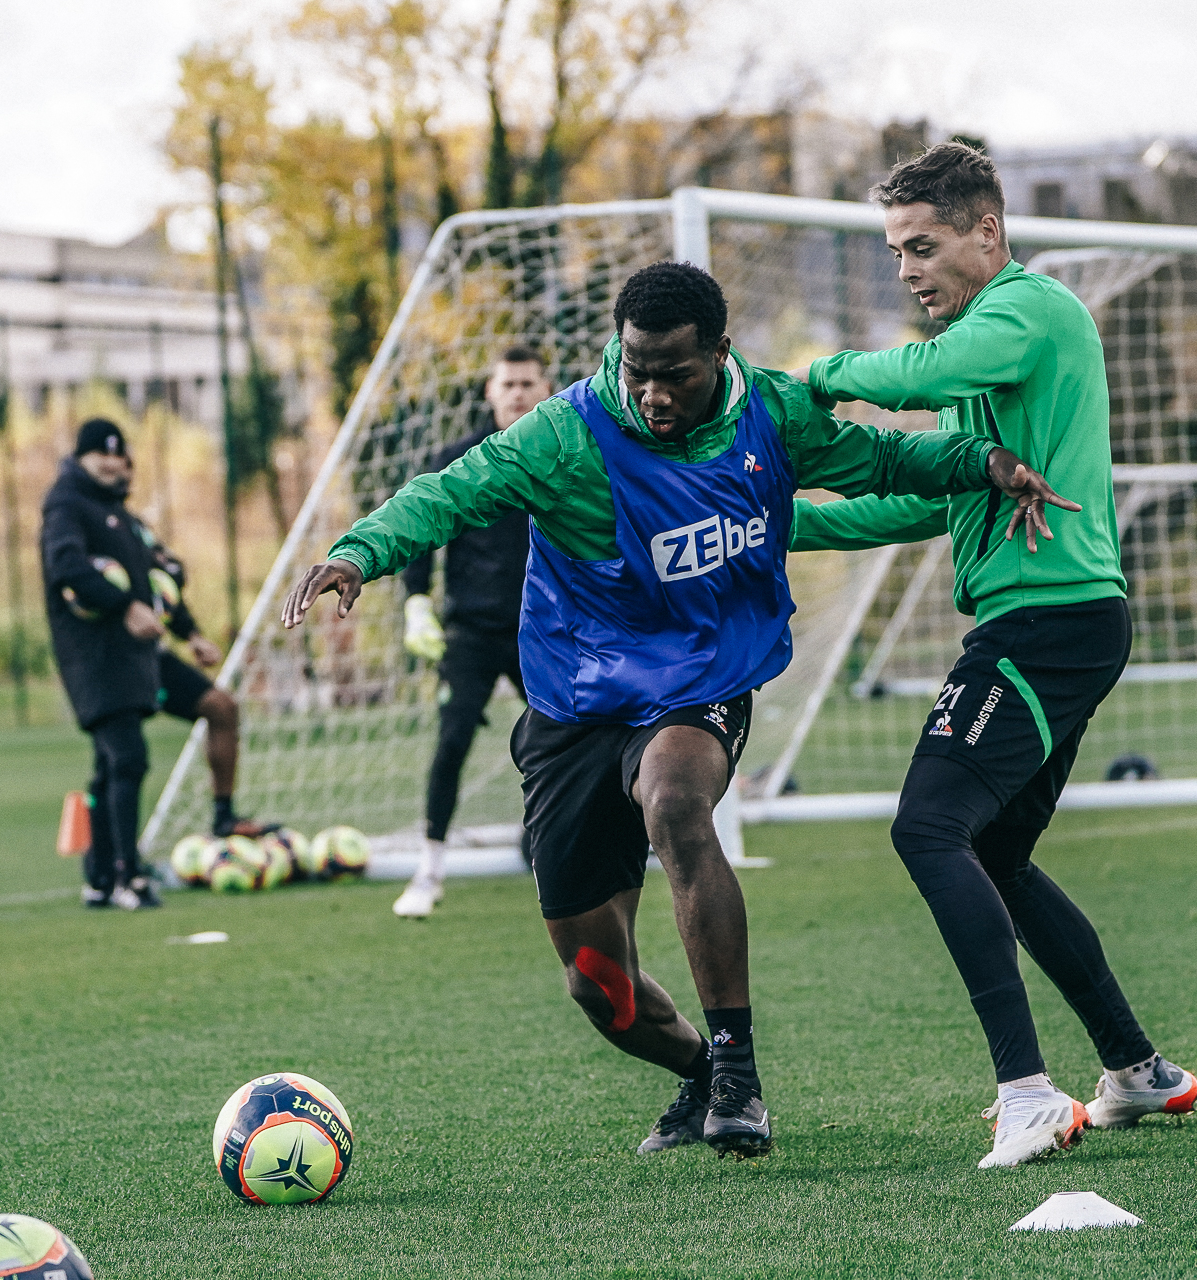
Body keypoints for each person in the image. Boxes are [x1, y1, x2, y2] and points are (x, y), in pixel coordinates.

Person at [281, 262, 1071, 1159]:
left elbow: (883, 457)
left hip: (703, 678)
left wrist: (981, 460)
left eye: (675, 375)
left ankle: (738, 1072)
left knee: (675, 799)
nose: (653, 395)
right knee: (597, 986)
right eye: (637, 372)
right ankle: (698, 1072)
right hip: (577, 700)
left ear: (720, 355)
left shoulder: (772, 413)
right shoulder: (566, 435)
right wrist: (360, 552)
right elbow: (450, 491)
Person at [792, 143, 1197, 1169]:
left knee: (930, 826)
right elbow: (920, 497)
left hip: (1046, 620)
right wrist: (776, 524)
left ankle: (1027, 1093)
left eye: (920, 246)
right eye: (893, 252)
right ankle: (1136, 1068)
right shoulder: (983, 349)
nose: (907, 271)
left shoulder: (1030, 312)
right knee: (994, 851)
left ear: (989, 229)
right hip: (1053, 623)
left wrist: (816, 379)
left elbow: (921, 375)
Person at [393, 346, 552, 919]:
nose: (516, 392)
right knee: (452, 738)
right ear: (489, 391)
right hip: (472, 629)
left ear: (545, 388)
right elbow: (419, 525)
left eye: (527, 382)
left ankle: (544, 845)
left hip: (543, 630)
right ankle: (429, 868)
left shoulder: (562, 455)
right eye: (506, 382)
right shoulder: (458, 460)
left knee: (564, 741)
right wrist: (416, 601)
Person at [39, 418, 166, 911]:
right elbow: (66, 567)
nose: (113, 464)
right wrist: (124, 605)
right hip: (93, 655)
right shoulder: (67, 504)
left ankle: (99, 875)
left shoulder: (114, 509)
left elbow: (155, 573)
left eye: (119, 456)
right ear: (82, 459)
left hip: (127, 656)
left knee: (108, 764)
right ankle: (124, 876)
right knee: (127, 757)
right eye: (101, 457)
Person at [122, 455, 269, 840]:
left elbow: (165, 582)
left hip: (151, 657)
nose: (121, 470)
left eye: (125, 462)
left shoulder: (134, 526)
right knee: (122, 756)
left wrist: (191, 634)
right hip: (112, 662)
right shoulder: (82, 521)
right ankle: (116, 862)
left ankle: (225, 817)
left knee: (222, 707)